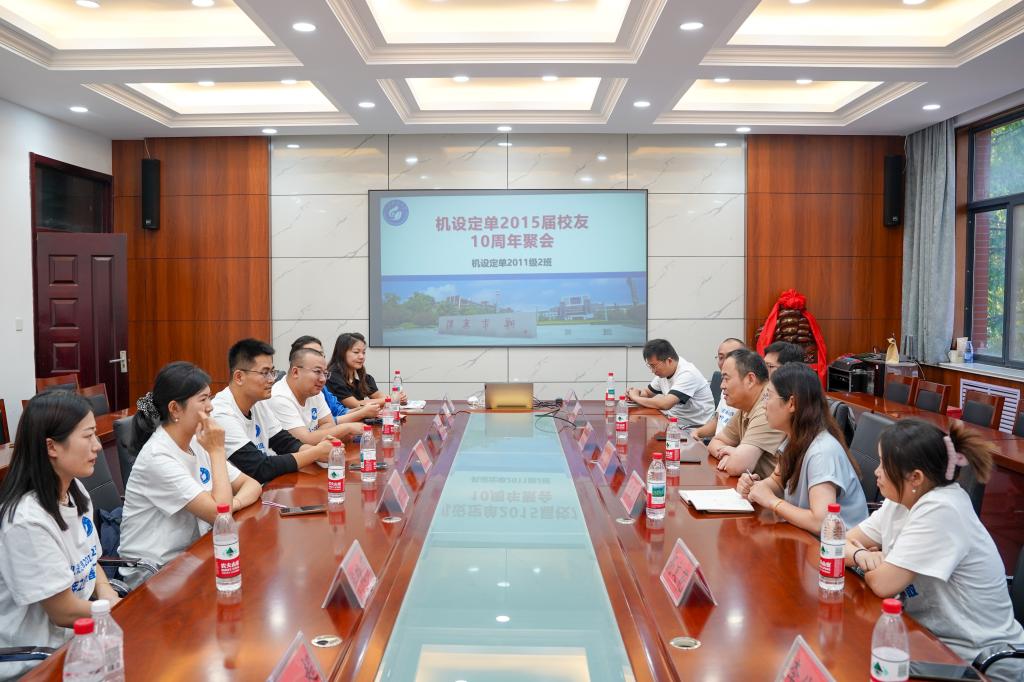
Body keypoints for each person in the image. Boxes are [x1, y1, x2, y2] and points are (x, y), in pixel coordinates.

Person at [844, 419, 1024, 682]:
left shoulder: (942, 508)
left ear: (915, 477)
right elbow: (841, 541)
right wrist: (862, 555)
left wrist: (871, 561)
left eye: (884, 464)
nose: (877, 472)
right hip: (927, 640)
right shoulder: (900, 500)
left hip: (978, 662)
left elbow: (883, 584)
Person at [0, 391, 121, 680]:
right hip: (38, 660)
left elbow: (91, 561)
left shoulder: (74, 490)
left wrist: (107, 593)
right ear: (52, 446)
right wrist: (115, 612)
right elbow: (63, 612)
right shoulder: (26, 521)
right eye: (88, 436)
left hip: (81, 638)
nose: (97, 446)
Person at [119, 362, 262, 587]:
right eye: (203, 399)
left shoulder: (196, 441)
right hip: (156, 572)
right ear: (175, 409)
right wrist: (217, 451)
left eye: (210, 397)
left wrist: (232, 504)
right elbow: (219, 515)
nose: (210, 407)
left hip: (194, 554)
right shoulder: (158, 456)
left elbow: (251, 484)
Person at [737, 363, 868, 534]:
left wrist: (772, 502)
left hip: (837, 545)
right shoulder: (794, 438)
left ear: (792, 403)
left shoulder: (822, 452)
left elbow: (821, 522)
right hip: (804, 537)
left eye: (768, 396)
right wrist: (755, 487)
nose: (764, 405)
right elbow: (777, 482)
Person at [211, 339, 334, 484]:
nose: (271, 380)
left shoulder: (259, 402)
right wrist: (315, 453)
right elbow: (259, 468)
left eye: (272, 372)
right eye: (265, 373)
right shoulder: (221, 413)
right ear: (239, 377)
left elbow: (285, 443)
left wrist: (322, 450)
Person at [708, 349, 784, 478]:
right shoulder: (747, 405)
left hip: (775, 489)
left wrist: (734, 455)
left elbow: (737, 466)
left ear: (750, 380)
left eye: (726, 379)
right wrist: (728, 455)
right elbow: (715, 442)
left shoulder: (768, 407)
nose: (722, 386)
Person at [269, 347, 365, 446]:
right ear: (295, 372)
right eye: (317, 372)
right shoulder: (279, 398)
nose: (323, 379)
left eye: (325, 373)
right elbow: (303, 440)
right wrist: (346, 428)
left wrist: (315, 437)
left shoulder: (314, 391)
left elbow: (329, 423)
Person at [625, 339, 715, 428]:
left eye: (654, 366)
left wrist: (636, 398)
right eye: (650, 366)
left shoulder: (687, 373)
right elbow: (648, 393)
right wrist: (636, 393)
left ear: (669, 361)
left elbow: (665, 404)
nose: (652, 371)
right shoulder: (664, 372)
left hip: (694, 428)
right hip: (673, 422)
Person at [291, 336, 379, 423]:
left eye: (320, 354)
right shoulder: (286, 395)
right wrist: (361, 413)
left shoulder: (319, 390)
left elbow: (337, 412)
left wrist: (363, 409)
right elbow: (324, 424)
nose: (323, 379)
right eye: (356, 352)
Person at [326, 333, 406, 409]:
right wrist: (391, 399)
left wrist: (398, 398)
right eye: (356, 352)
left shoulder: (363, 376)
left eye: (363, 352)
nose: (362, 356)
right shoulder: (332, 376)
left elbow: (378, 396)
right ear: (342, 353)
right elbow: (356, 405)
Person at [694, 337, 746, 439]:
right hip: (716, 444)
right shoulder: (725, 385)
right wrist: (697, 432)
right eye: (721, 357)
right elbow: (718, 419)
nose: (725, 362)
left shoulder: (748, 392)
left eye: (731, 357)